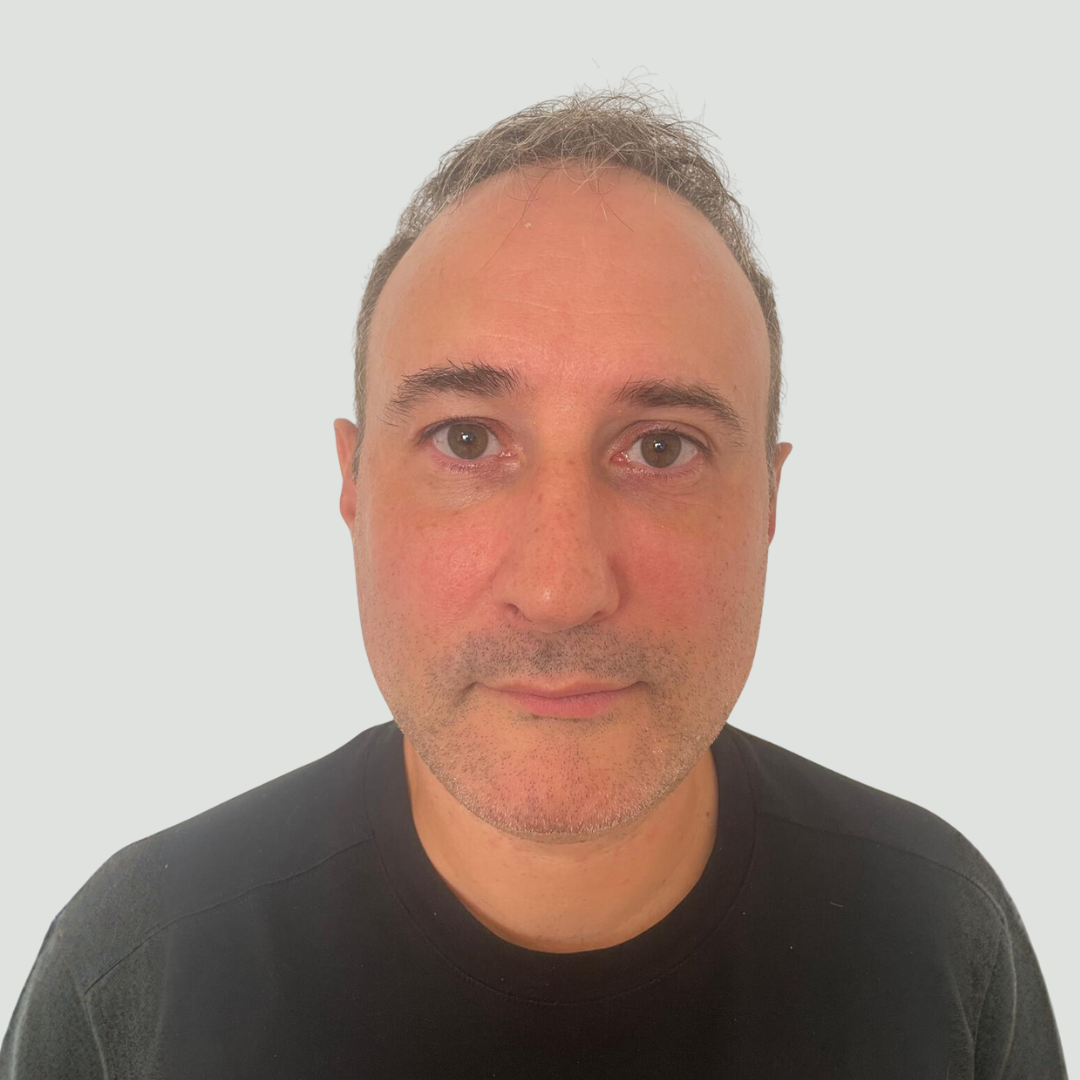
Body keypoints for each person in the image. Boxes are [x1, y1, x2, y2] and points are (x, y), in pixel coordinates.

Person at [1, 87, 1067, 1080]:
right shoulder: (137, 967)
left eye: (661, 449)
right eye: (467, 440)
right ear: (354, 484)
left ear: (770, 506)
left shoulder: (938, 936)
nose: (561, 590)